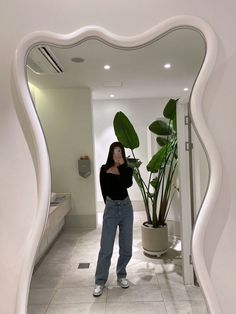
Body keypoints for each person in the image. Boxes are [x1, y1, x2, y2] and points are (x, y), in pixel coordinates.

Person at [93, 142, 134, 297]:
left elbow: (127, 184)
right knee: (106, 248)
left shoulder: (127, 169)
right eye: (115, 151)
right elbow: (105, 190)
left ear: (123, 153)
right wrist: (110, 206)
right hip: (111, 208)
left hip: (126, 208)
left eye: (120, 151)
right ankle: (100, 281)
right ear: (111, 153)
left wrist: (122, 165)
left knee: (126, 246)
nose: (117, 153)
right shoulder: (104, 169)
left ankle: (121, 274)